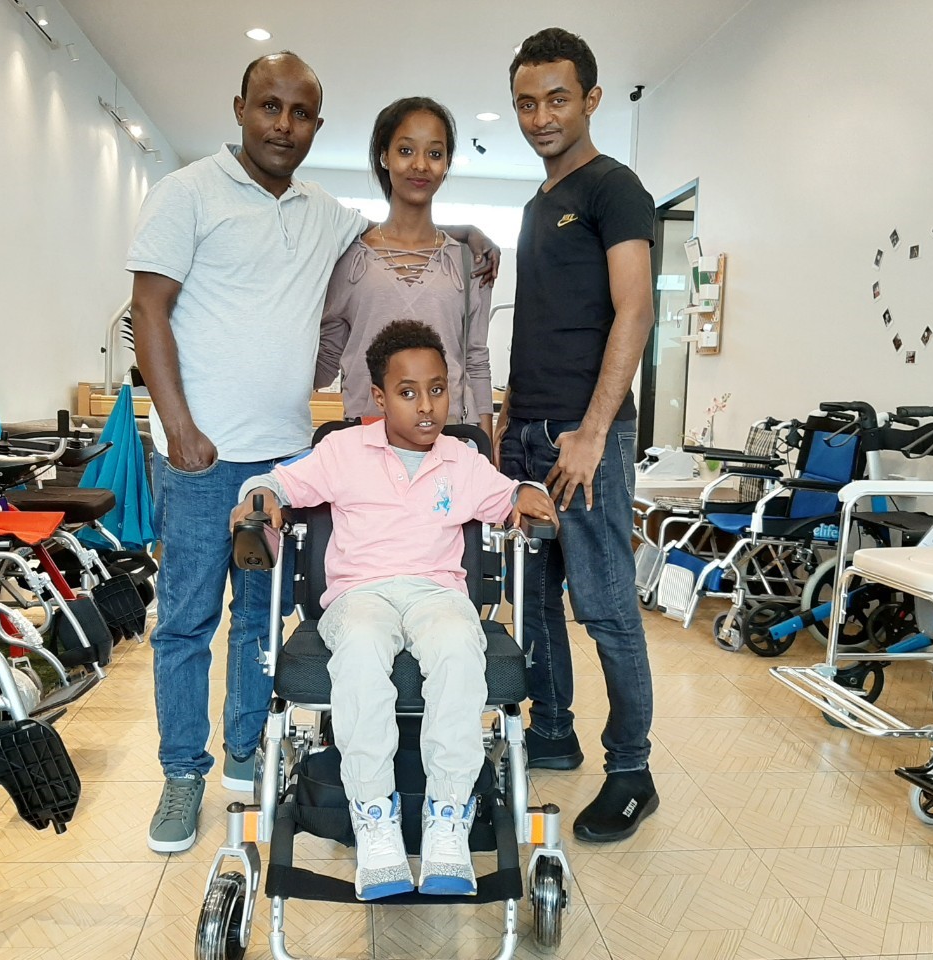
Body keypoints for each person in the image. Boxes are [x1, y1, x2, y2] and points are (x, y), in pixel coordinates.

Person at [127, 51, 499, 854]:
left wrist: (468, 234)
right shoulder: (186, 192)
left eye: (299, 114)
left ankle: (244, 753)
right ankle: (182, 772)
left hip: (285, 456)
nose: (283, 125)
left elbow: (399, 231)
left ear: (317, 127)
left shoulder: (325, 214)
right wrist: (179, 428)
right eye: (269, 106)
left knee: (258, 622)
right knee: (186, 622)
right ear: (240, 107)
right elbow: (147, 310)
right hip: (199, 457)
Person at [231, 320, 557, 900]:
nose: (426, 406)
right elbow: (276, 483)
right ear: (380, 399)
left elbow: (508, 495)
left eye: (437, 389)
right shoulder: (343, 451)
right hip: (360, 595)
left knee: (459, 648)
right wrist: (260, 497)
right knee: (360, 650)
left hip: (437, 594)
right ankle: (374, 815)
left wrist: (529, 494)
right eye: (408, 393)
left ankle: (448, 816)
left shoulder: (461, 459)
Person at [496, 27, 659, 843]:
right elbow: (543, 322)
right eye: (526, 103)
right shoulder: (536, 205)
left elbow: (636, 309)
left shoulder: (614, 188)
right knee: (535, 602)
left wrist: (593, 431)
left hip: (584, 439)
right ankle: (553, 731)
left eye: (556, 99)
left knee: (605, 607)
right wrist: (509, 419)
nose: (540, 117)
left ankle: (632, 770)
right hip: (529, 434)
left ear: (590, 99)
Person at [315, 98, 494, 440]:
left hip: (449, 439)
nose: (421, 165)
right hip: (365, 440)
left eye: (435, 153)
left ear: (447, 163)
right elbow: (326, 359)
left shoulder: (469, 259)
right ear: (384, 156)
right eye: (406, 150)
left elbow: (475, 359)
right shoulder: (349, 258)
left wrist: (485, 449)